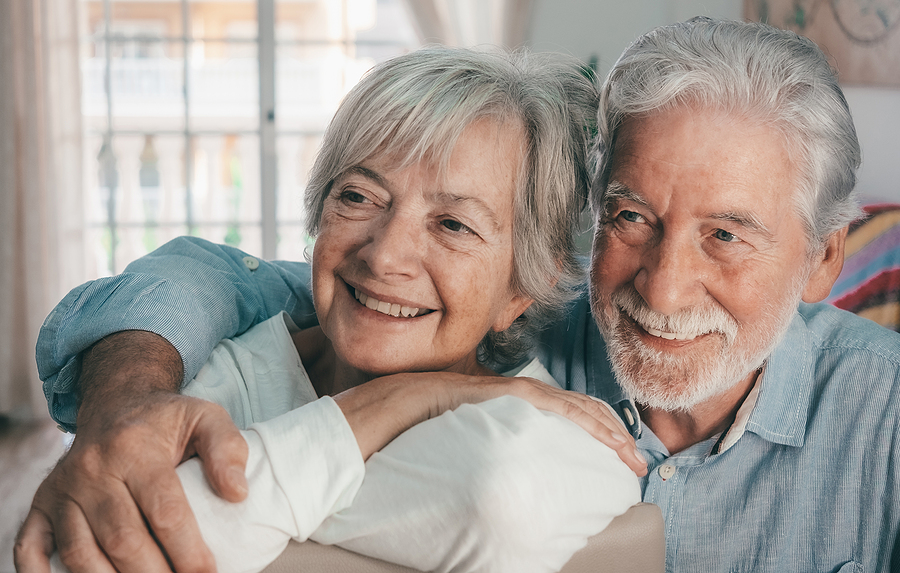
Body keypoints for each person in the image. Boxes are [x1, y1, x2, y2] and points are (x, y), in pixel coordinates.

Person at [18, 16, 900, 573]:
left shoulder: (884, 416)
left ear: (824, 262)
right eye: (631, 216)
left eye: (727, 235)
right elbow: (218, 280)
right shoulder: (511, 320)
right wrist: (129, 402)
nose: (662, 286)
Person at [19, 46, 645, 573]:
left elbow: (502, 502)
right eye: (359, 196)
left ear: (520, 292)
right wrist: (402, 400)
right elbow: (79, 552)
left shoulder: (556, 436)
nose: (385, 256)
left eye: (452, 224)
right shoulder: (228, 369)